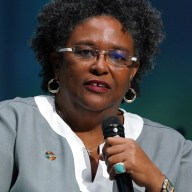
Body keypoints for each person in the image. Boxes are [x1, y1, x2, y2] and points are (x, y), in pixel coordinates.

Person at [0, 0, 192, 191]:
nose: (100, 66)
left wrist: (158, 183)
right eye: (85, 52)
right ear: (57, 63)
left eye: (118, 57)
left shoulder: (175, 149)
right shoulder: (13, 123)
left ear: (132, 72)